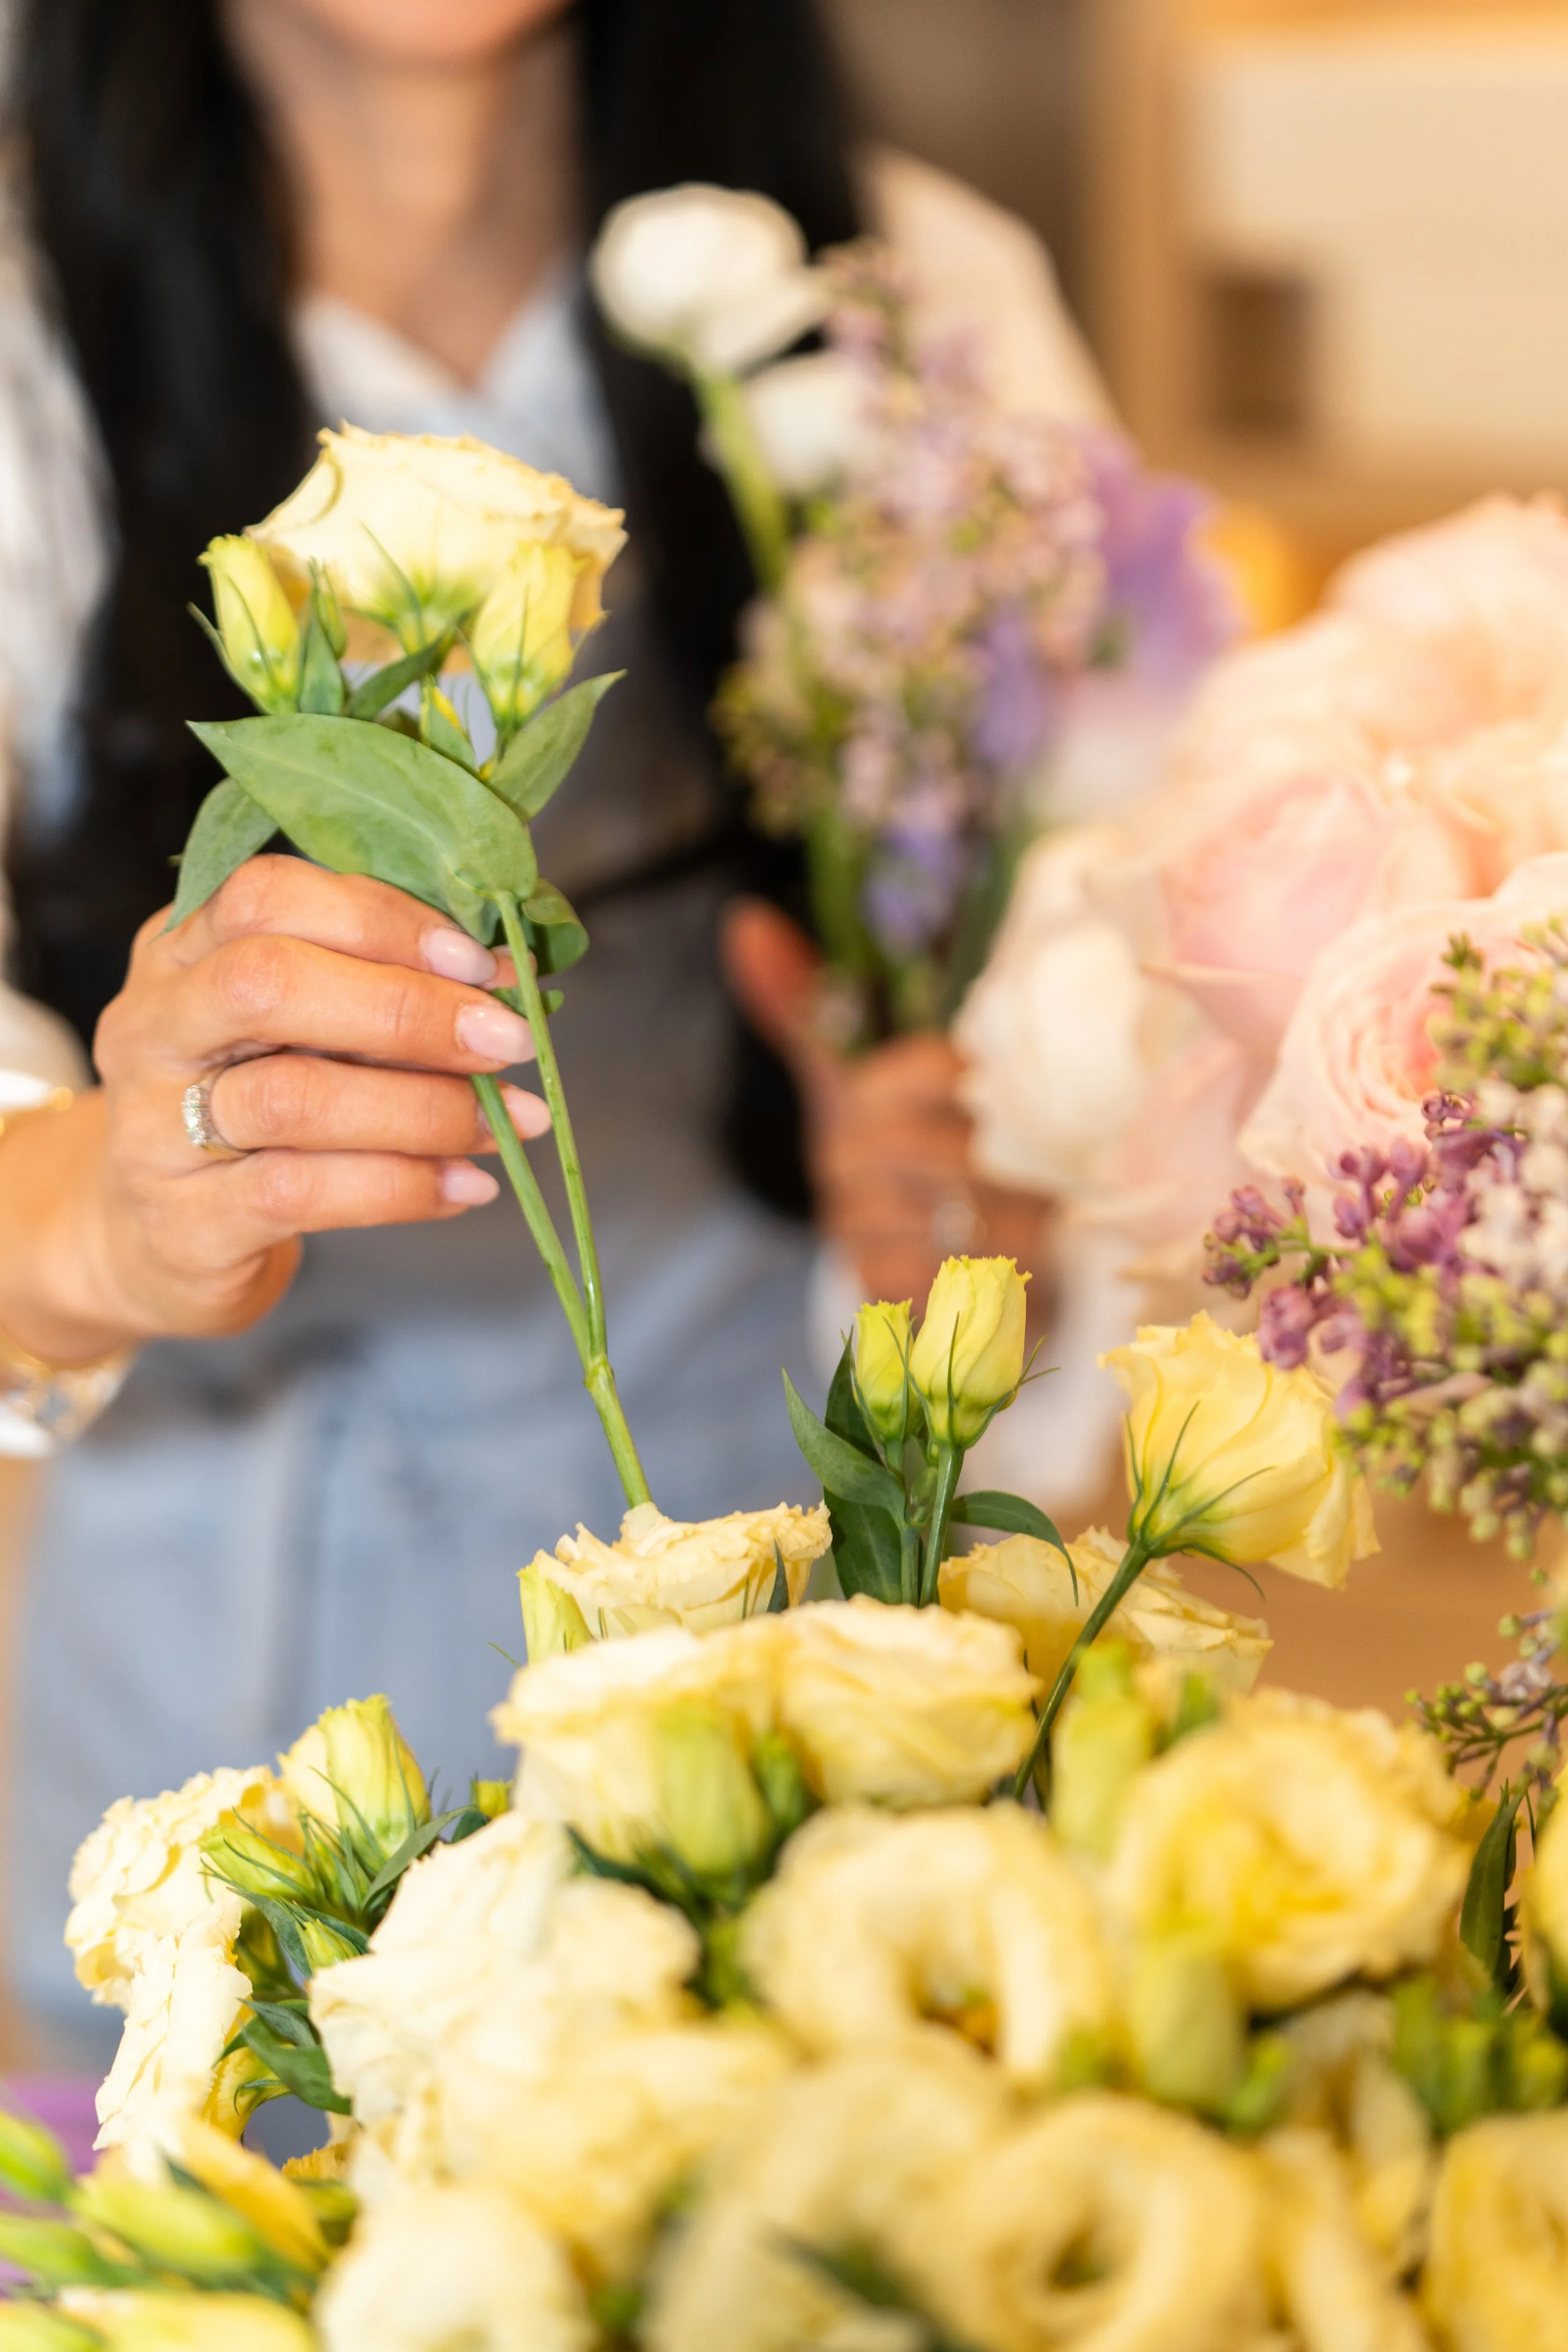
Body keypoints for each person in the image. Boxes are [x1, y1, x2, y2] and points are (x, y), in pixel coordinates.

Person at [0, 0, 1106, 2061]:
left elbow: (1116, 990)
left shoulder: (914, 309)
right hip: (208, 1703)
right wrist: (114, 1211)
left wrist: (975, 1218)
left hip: (770, 1634)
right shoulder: (28, 333)